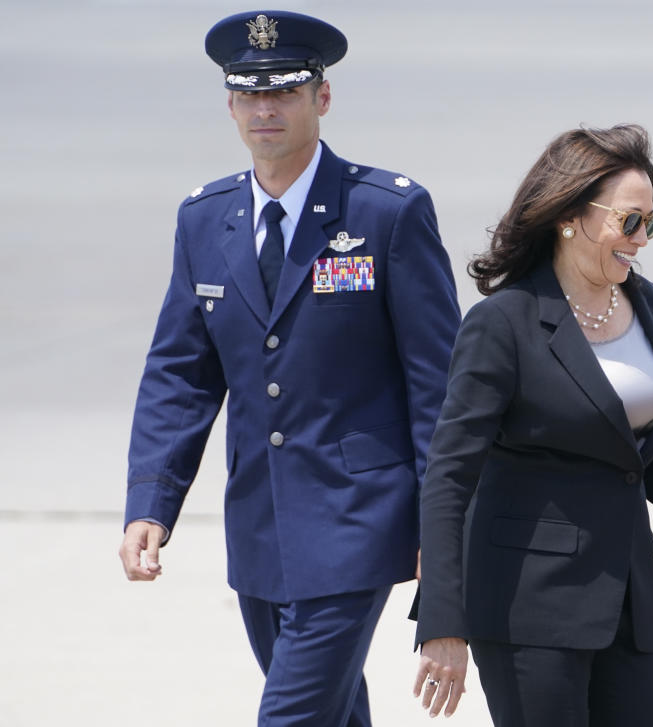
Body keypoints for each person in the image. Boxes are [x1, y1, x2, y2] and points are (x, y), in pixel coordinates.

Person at [117, 10, 460, 726]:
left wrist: (443, 529)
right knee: (333, 714)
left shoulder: (387, 212)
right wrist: (152, 500)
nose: (266, 108)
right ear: (231, 104)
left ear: (321, 98)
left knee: (292, 717)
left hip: (359, 519)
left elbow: (439, 390)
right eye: (250, 92)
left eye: (285, 91)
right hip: (259, 524)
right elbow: (180, 374)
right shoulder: (204, 219)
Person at [412, 125, 653, 726]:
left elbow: (637, 444)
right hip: (526, 605)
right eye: (629, 221)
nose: (641, 240)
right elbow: (449, 477)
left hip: (628, 596)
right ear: (570, 215)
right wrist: (441, 621)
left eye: (652, 223)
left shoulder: (646, 302)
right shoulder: (502, 323)